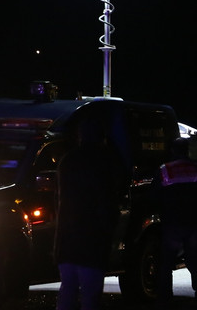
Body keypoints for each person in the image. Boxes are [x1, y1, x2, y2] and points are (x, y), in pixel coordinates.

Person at [55, 118, 120, 310]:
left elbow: (59, 200)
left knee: (67, 291)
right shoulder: (104, 160)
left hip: (66, 241)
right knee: (90, 297)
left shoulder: (67, 160)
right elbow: (107, 199)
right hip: (92, 241)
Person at [154, 137, 197, 307]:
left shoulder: (165, 169)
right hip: (193, 222)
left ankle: (165, 298)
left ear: (172, 150)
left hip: (172, 222)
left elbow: (154, 195)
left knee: (166, 261)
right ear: (187, 150)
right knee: (192, 259)